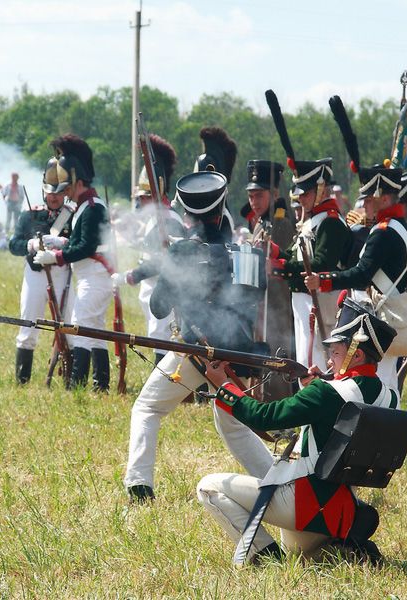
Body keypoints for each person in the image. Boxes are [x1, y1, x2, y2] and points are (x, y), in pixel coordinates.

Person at [197, 299, 399, 563]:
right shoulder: (390, 397)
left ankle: (265, 558)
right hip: (341, 512)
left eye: (336, 353)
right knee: (300, 555)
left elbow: (264, 417)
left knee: (208, 487)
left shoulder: (327, 392)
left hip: (305, 505)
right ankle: (338, 550)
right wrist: (312, 388)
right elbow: (335, 422)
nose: (329, 359)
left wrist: (223, 385)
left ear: (356, 355)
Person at [124, 127, 261, 502]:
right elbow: (251, 305)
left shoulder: (183, 252)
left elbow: (157, 307)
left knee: (147, 408)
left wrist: (172, 267)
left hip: (195, 351)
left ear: (186, 211)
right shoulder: (243, 253)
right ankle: (277, 481)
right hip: (235, 353)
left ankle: (139, 486)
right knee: (235, 428)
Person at [305, 162, 407, 392]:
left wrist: (324, 280)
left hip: (383, 312)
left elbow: (362, 274)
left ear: (383, 198)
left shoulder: (383, 233)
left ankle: (384, 425)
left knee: (381, 379)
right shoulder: (399, 226)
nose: (363, 205)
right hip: (391, 308)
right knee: (387, 378)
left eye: (369, 199)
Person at [34, 134, 113, 392]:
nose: (64, 193)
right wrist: (61, 244)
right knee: (96, 329)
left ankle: (76, 386)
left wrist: (55, 256)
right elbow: (80, 243)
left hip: (96, 275)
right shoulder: (84, 207)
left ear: (78, 181)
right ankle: (100, 385)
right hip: (91, 275)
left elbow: (87, 247)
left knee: (80, 324)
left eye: (67, 187)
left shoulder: (91, 207)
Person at [270, 158, 352, 370]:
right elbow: (295, 255)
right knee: (304, 361)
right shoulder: (314, 219)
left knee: (314, 361)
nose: (301, 197)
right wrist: (275, 253)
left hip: (318, 300)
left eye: (306, 192)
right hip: (303, 298)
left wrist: (281, 267)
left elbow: (321, 264)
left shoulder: (331, 221)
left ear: (322, 190)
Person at [117, 134, 186, 362]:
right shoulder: (156, 217)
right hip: (154, 289)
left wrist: (134, 274)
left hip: (165, 289)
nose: (142, 201)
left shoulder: (169, 219)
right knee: (157, 335)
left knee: (162, 337)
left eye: (146, 196)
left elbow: (164, 260)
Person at [8, 159, 75, 386]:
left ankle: (70, 380)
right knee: (27, 326)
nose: (53, 198)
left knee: (68, 327)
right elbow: (13, 245)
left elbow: (82, 243)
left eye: (57, 193)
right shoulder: (30, 215)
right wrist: (30, 245)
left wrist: (64, 242)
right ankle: (22, 381)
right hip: (35, 274)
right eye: (49, 193)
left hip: (63, 273)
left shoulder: (73, 215)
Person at [240, 159, 296, 402]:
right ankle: (261, 399)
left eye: (259, 195)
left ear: (274, 194)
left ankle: (278, 405)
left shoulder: (282, 222)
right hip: (262, 299)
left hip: (278, 300)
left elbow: (279, 260)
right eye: (251, 196)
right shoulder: (261, 222)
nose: (254, 201)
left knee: (278, 351)